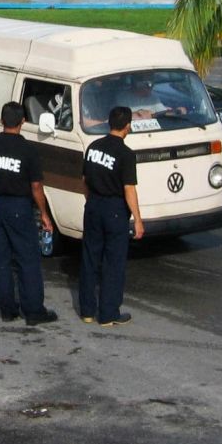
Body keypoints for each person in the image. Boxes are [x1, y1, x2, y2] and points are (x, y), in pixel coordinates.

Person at [0, 101, 57, 325]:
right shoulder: (28, 150)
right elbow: (36, 187)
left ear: (1, 121)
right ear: (23, 122)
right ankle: (33, 311)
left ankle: (8, 310)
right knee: (27, 259)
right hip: (20, 207)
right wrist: (44, 214)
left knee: (1, 260)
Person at [78, 105, 142, 327]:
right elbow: (129, 190)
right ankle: (108, 313)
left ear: (109, 122)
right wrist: (138, 219)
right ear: (128, 126)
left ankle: (86, 310)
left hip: (94, 205)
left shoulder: (93, 147)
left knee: (89, 258)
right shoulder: (126, 154)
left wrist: (91, 201)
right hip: (114, 209)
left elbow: (84, 180)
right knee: (113, 263)